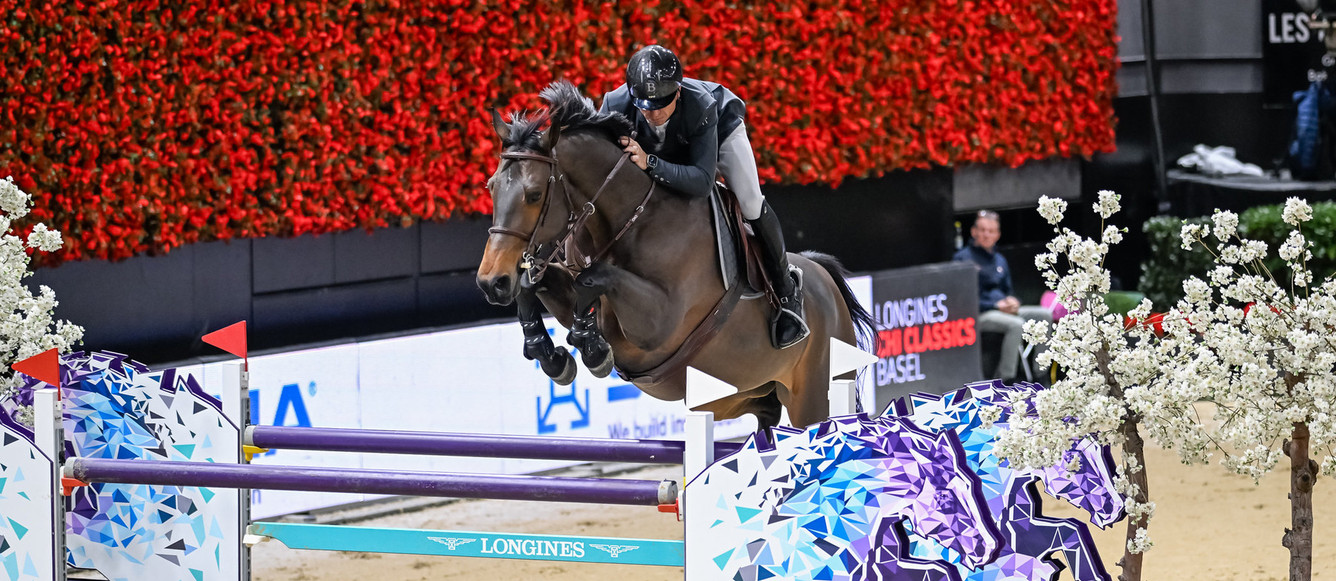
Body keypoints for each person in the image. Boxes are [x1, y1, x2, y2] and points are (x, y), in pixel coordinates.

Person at [598, 45, 808, 349]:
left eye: (661, 104)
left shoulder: (701, 105)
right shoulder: (614, 105)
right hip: (665, 148)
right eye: (644, 105)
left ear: (678, 93)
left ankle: (787, 291)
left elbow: (701, 181)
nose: (652, 113)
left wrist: (650, 162)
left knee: (749, 202)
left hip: (719, 131)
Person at [953, 210, 1053, 382]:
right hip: (979, 313)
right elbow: (962, 299)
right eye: (982, 230)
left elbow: (1008, 291)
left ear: (997, 235)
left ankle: (1040, 372)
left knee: (1044, 315)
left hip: (1004, 310)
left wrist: (1014, 302)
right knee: (1017, 324)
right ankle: (1006, 379)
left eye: (991, 231)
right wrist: (996, 306)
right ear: (973, 231)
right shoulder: (962, 259)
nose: (986, 235)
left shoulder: (999, 260)